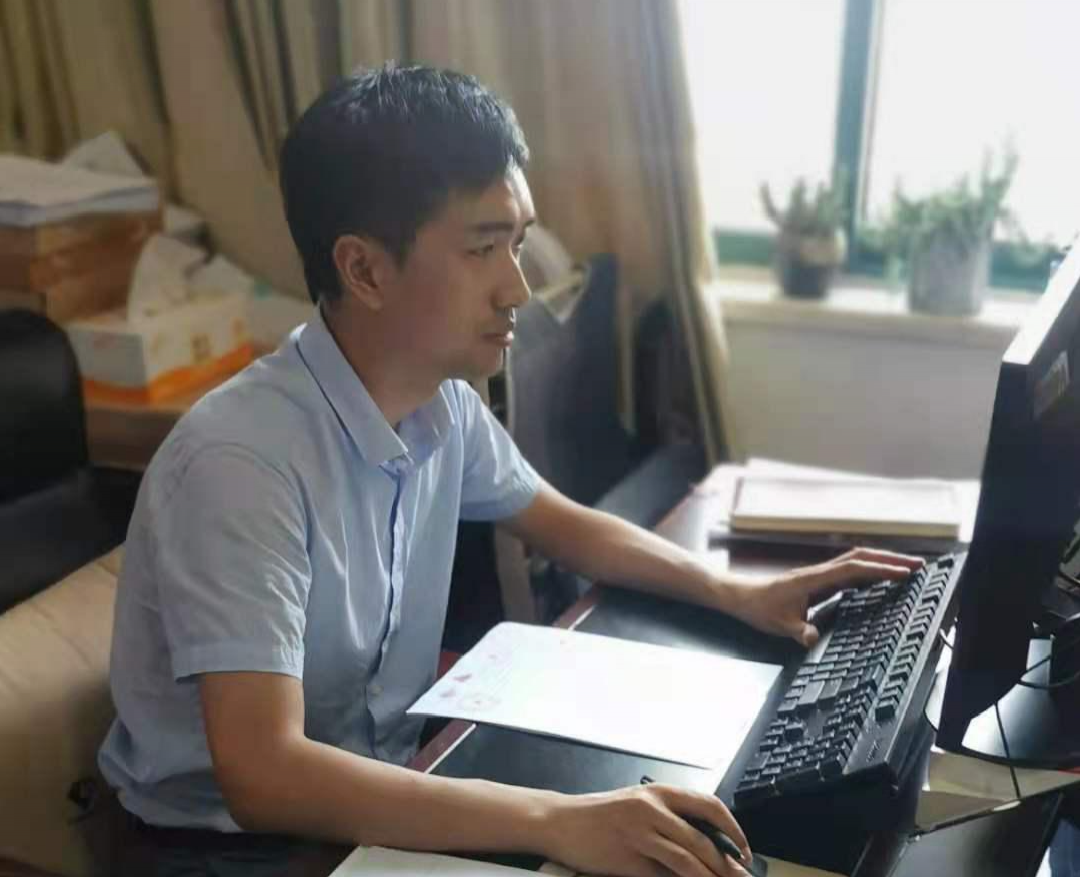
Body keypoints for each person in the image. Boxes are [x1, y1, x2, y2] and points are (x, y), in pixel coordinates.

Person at [98, 63, 922, 877]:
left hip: (382, 783)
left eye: (518, 243)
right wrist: (555, 820)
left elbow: (567, 526)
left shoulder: (441, 404)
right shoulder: (242, 463)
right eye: (483, 248)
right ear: (364, 270)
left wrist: (735, 593)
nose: (518, 288)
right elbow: (265, 776)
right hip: (226, 848)